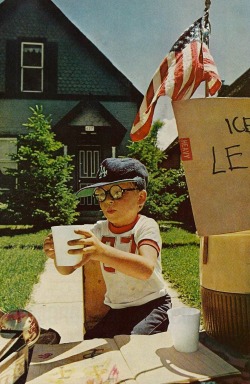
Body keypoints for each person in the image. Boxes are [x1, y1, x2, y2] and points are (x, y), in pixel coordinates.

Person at [43, 157, 172, 339]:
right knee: (91, 341)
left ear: (141, 198)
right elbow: (67, 269)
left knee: (134, 344)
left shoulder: (145, 226)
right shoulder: (98, 230)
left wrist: (102, 252)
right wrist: (57, 255)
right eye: (101, 194)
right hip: (118, 309)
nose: (107, 201)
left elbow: (145, 270)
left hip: (152, 306)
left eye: (116, 192)